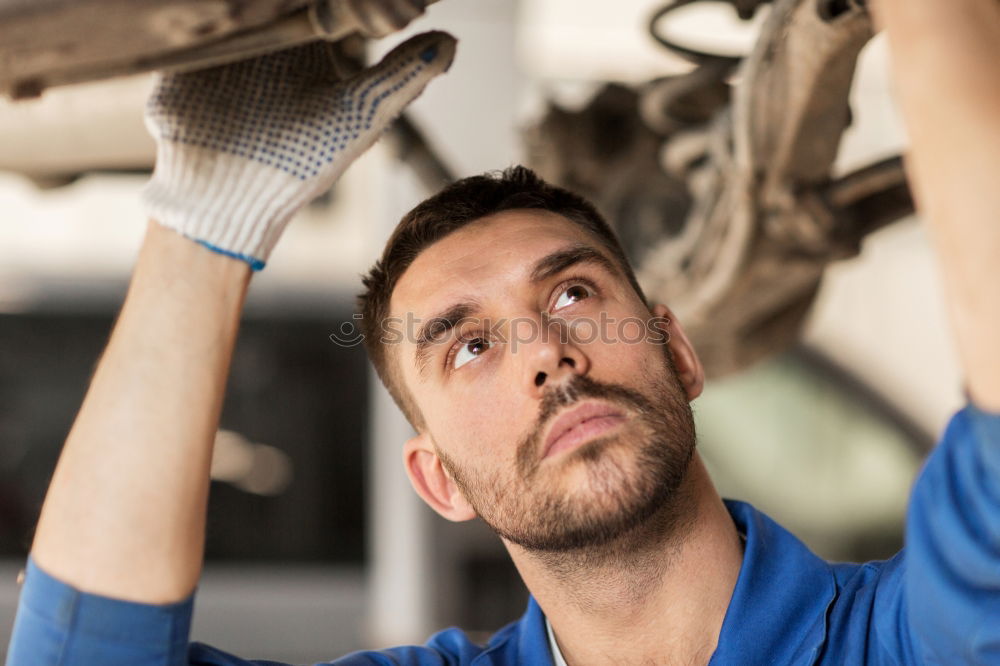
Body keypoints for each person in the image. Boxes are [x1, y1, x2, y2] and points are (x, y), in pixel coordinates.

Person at [6, 0, 1000, 663]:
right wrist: (203, 231)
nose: (545, 355)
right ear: (438, 479)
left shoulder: (905, 638)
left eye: (570, 296)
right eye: (469, 346)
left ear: (680, 352)